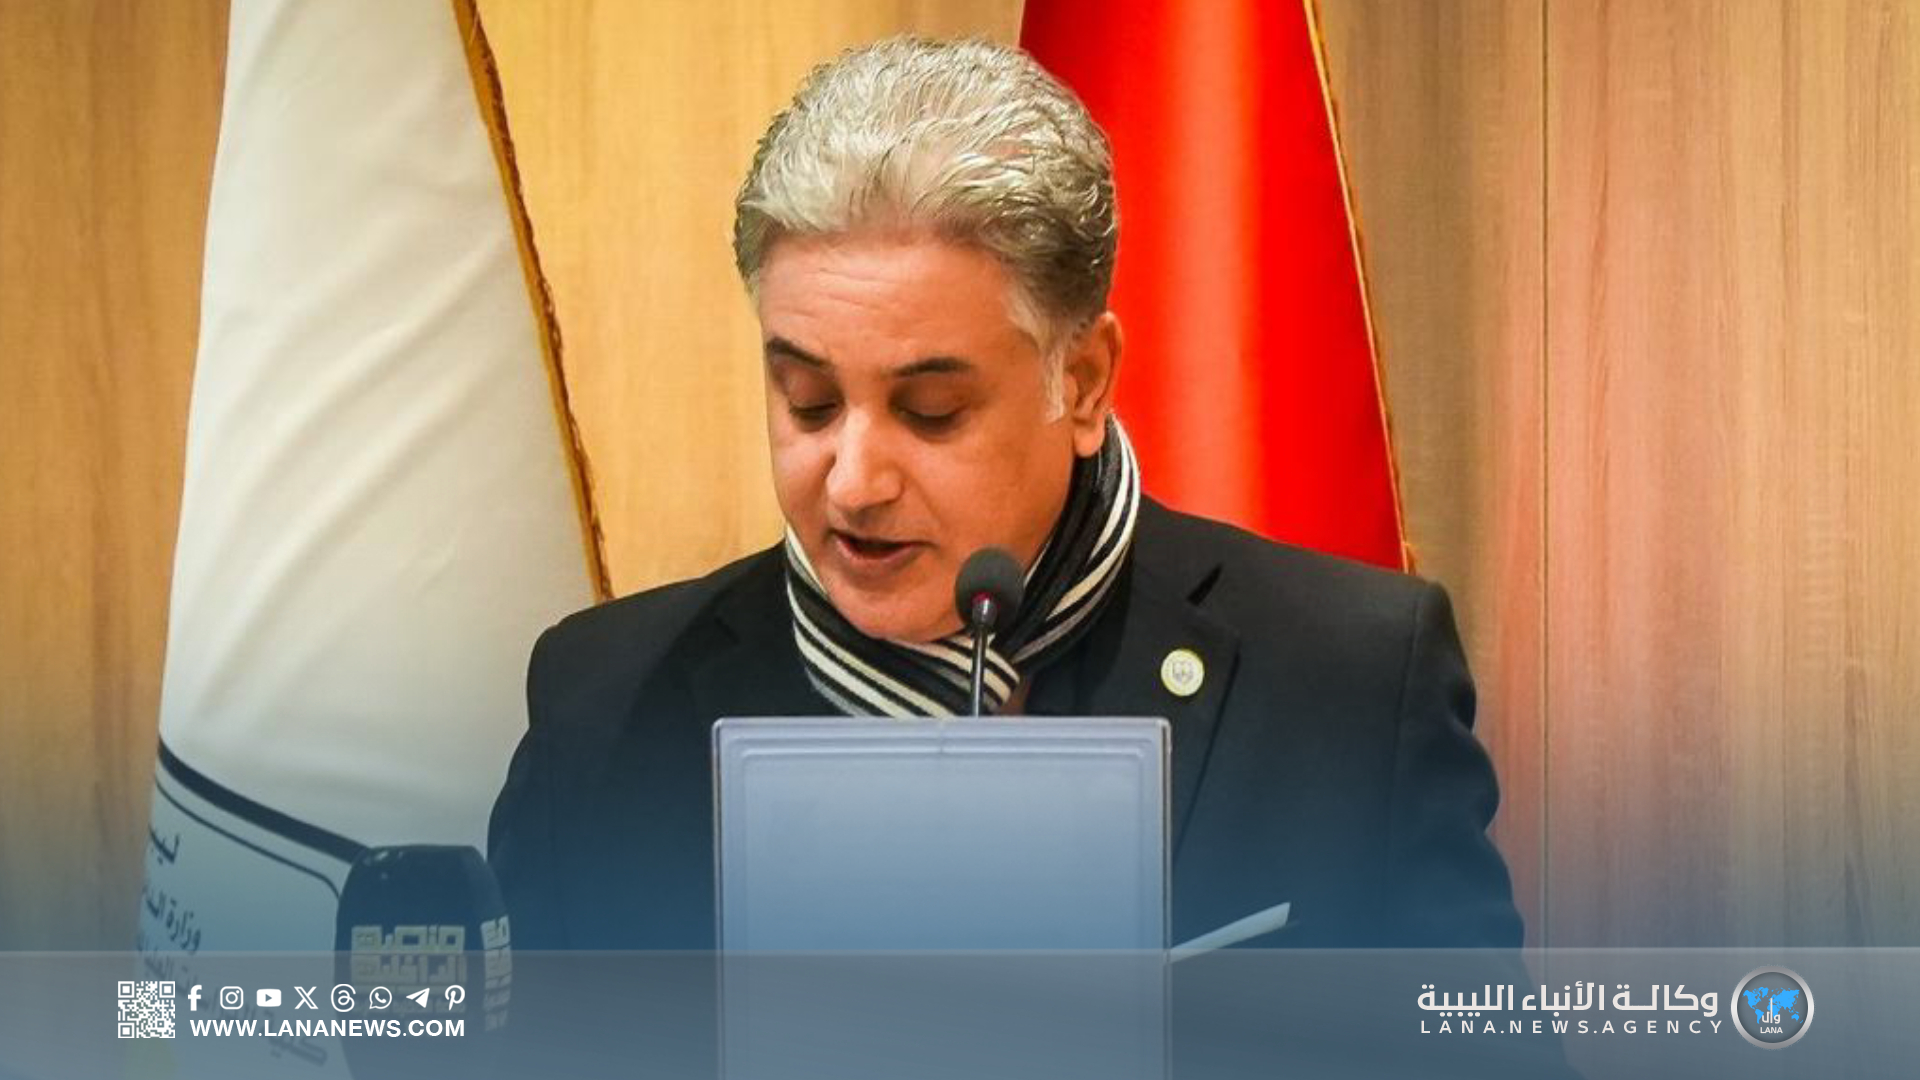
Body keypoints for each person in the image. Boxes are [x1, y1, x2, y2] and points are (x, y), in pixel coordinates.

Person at [488, 36, 1522, 954]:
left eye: (930, 411)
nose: (853, 482)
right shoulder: (603, 706)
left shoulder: (1351, 682)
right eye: (808, 402)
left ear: (1082, 382)